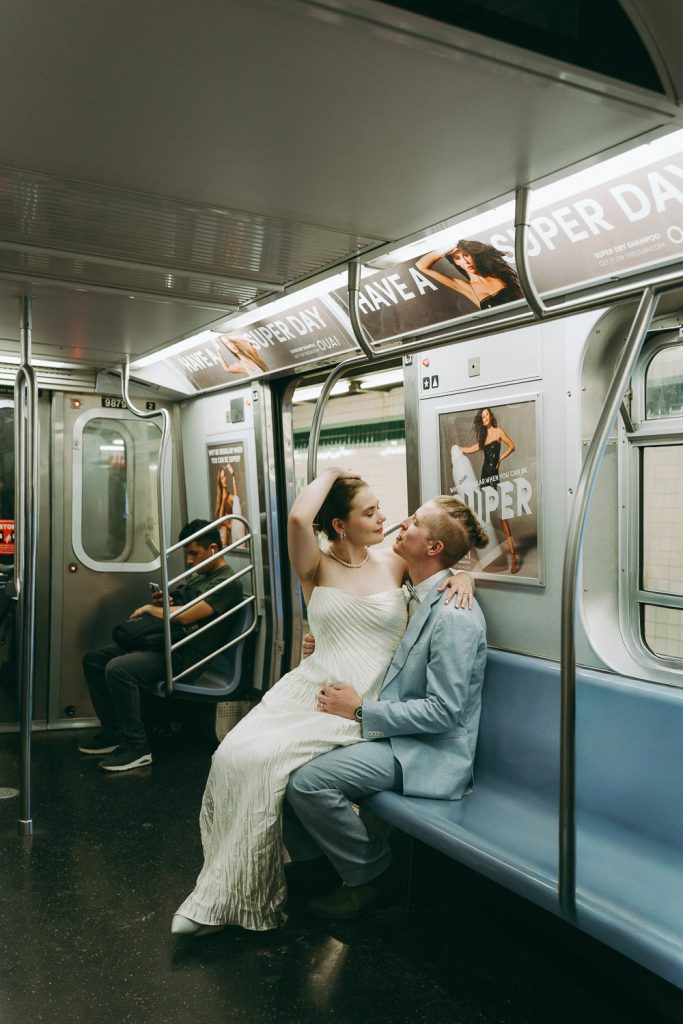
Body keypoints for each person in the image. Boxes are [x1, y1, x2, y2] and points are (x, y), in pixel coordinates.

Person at [171, 468, 474, 937]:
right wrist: (332, 474)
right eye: (369, 511)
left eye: (381, 511)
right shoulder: (317, 567)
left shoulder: (394, 564)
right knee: (233, 755)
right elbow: (297, 520)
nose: (386, 519)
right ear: (339, 524)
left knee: (272, 764)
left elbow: (438, 571)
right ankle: (227, 885)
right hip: (315, 687)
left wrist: (467, 576)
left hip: (364, 695)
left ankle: (266, 883)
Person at [283, 495, 488, 920]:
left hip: (428, 750)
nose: (402, 523)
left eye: (414, 522)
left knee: (307, 782)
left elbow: (445, 713)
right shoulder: (417, 589)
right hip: (396, 733)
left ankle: (373, 877)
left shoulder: (454, 615)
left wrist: (360, 713)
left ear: (432, 548)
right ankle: (319, 866)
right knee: (279, 761)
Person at [78, 520, 243, 772]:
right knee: (94, 660)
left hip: (186, 655)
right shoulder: (200, 578)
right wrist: (164, 601)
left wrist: (151, 609)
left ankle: (137, 746)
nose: (189, 561)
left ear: (212, 549)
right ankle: (113, 731)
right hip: (168, 644)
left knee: (119, 669)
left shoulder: (229, 583)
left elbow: (187, 616)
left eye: (193, 553)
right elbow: (179, 607)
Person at [460, 407, 519, 574]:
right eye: (483, 416)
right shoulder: (483, 436)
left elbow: (512, 446)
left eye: (487, 415)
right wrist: (458, 448)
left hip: (494, 476)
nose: (485, 417)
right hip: (484, 476)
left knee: (502, 517)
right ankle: (487, 555)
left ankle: (513, 557)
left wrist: (501, 457)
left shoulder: (498, 431)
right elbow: (471, 449)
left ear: (491, 417)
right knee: (482, 515)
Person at [417, 239, 522, 310]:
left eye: (466, 255)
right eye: (457, 258)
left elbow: (524, 301)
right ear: (455, 262)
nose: (465, 262)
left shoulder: (498, 275)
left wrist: (460, 242)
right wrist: (449, 247)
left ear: (473, 255)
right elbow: (421, 265)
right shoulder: (467, 288)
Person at [214, 464, 237, 548]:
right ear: (220, 481)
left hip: (231, 528)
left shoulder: (229, 495)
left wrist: (233, 476)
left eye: (225, 476)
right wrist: (223, 500)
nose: (224, 480)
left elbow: (236, 499)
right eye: (222, 478)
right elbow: (220, 518)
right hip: (224, 529)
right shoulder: (221, 497)